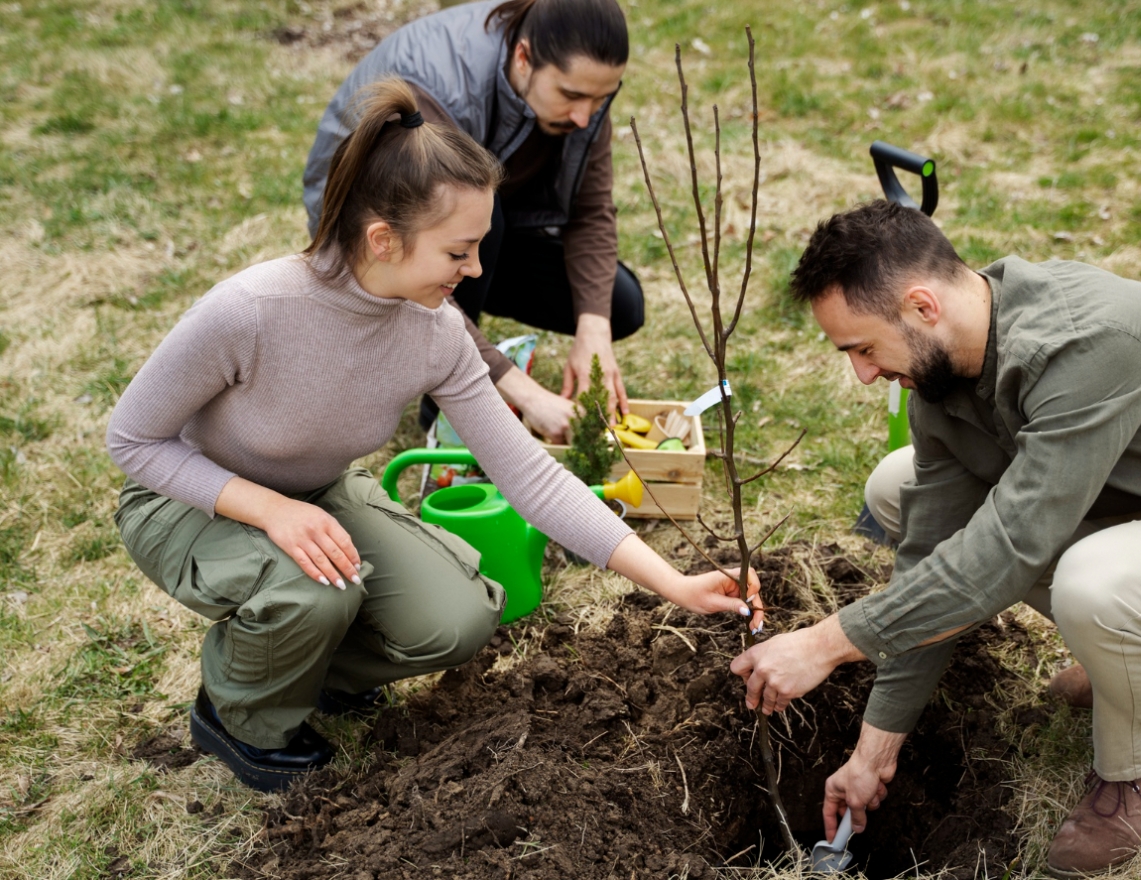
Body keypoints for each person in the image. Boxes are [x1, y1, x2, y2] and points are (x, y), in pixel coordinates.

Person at [109, 79, 763, 793]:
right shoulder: (251, 311)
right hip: (185, 501)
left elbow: (530, 475)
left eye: (480, 247)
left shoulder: (435, 332)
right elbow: (134, 441)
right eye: (459, 252)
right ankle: (239, 712)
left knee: (457, 618)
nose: (476, 270)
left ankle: (298, 665)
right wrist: (268, 509)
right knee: (319, 592)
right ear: (383, 239)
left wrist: (675, 584)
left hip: (315, 493)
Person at [729, 200, 1141, 877]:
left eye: (862, 348)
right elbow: (933, 560)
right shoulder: (947, 384)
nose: (861, 374)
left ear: (921, 307)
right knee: (896, 486)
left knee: (1094, 581)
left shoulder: (1084, 344)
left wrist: (828, 643)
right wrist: (872, 755)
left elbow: (1008, 550)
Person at [304, 0, 641, 443]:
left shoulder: (581, 92)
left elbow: (591, 210)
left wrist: (593, 331)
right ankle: (446, 397)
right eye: (572, 96)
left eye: (601, 98)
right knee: (484, 220)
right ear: (524, 57)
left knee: (618, 305)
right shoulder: (436, 89)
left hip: (476, 227)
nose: (585, 117)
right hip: (381, 246)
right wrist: (521, 390)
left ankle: (465, 332)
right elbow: (414, 238)